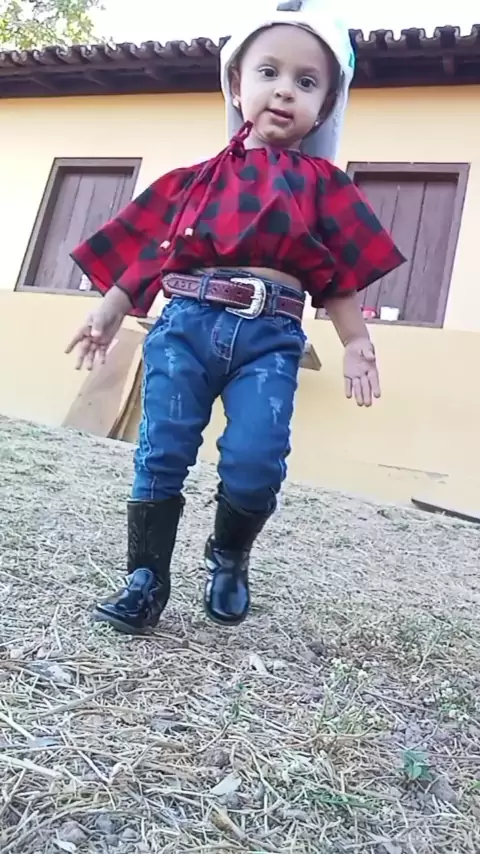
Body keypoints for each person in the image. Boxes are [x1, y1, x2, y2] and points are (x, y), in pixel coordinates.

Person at [66, 0, 405, 635]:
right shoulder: (191, 180)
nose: (285, 90)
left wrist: (357, 340)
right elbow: (153, 252)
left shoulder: (326, 186)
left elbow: (337, 277)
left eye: (307, 81)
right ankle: (145, 579)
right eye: (268, 72)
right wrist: (110, 308)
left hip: (271, 339)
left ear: (327, 104)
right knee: (162, 450)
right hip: (185, 326)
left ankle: (228, 553)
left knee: (257, 459)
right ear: (235, 83)